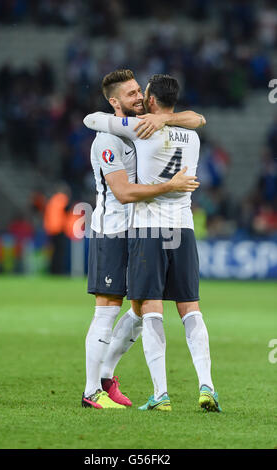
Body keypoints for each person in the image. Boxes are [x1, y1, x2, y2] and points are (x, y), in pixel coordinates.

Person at [84, 74, 222, 412]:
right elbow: (123, 191)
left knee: (140, 309)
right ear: (115, 102)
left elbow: (197, 117)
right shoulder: (110, 138)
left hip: (142, 232)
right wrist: (169, 186)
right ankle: (92, 390)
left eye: (139, 91)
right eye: (130, 93)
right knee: (108, 309)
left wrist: (164, 118)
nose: (137, 96)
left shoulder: (144, 127)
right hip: (114, 232)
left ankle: (107, 376)